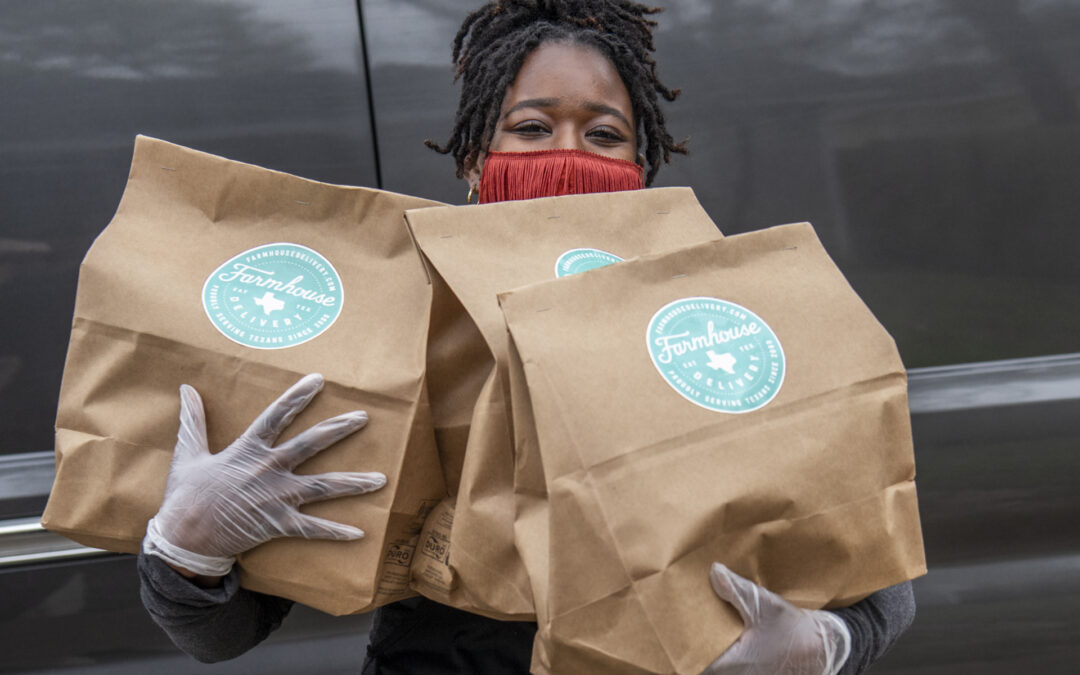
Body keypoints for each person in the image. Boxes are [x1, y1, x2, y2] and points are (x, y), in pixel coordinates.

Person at [138, 2, 916, 674]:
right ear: (477, 161)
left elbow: (876, 581)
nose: (566, 156)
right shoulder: (390, 324)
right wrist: (188, 549)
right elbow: (224, 635)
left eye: (603, 133)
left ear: (641, 167)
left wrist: (823, 645)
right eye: (533, 127)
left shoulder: (714, 319)